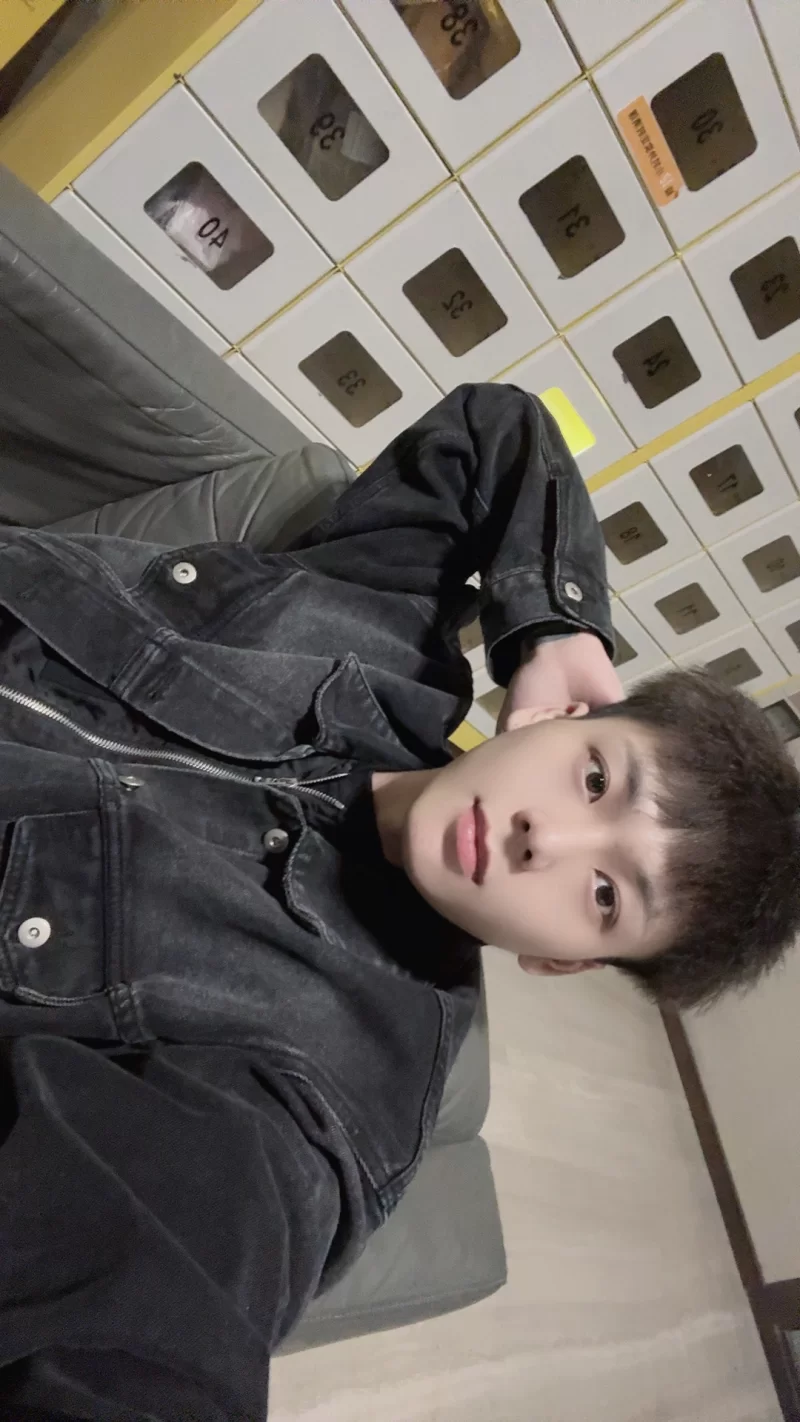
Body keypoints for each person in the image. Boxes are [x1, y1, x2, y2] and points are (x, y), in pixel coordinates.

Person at [0, 384, 797, 1419]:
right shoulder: (383, 641)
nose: (544, 838)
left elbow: (162, 1284)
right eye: (596, 778)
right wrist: (556, 626)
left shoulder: (338, 1077)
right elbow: (499, 428)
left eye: (605, 894)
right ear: (557, 718)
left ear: (565, 961)